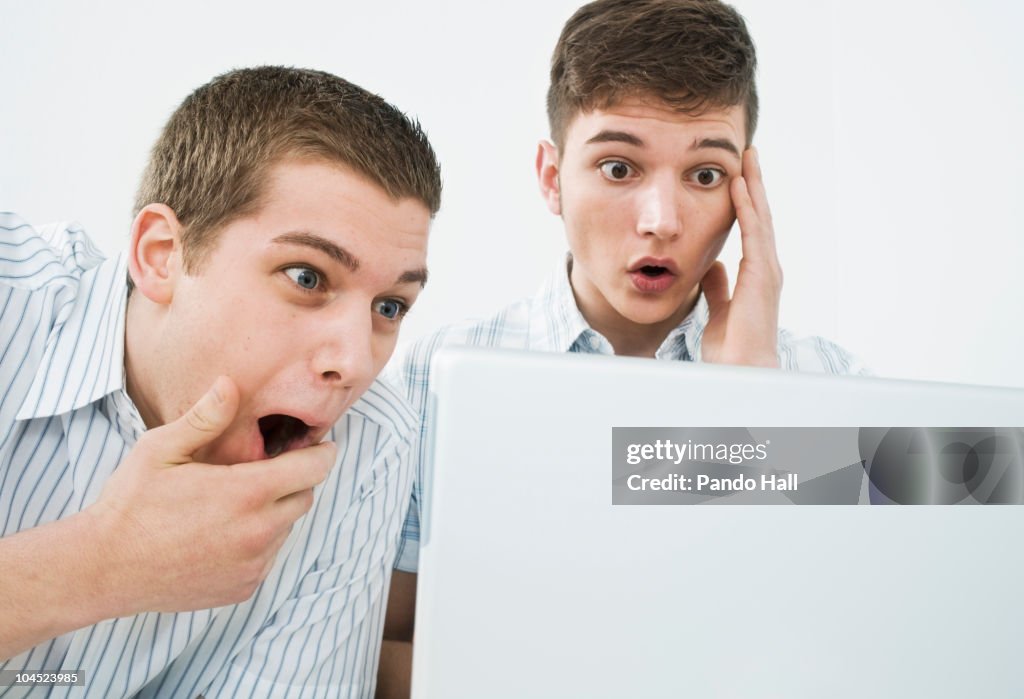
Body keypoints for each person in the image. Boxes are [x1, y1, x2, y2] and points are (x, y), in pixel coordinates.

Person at [374, 0, 866, 696]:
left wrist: (755, 405)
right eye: (617, 167)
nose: (661, 221)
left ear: (745, 191)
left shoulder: (830, 383)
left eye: (704, 176)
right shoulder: (443, 371)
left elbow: (851, 640)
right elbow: (382, 643)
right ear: (552, 178)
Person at [0, 65, 441, 697]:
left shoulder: (373, 443)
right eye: (307, 277)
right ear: (161, 255)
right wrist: (94, 564)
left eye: (389, 307)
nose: (354, 362)